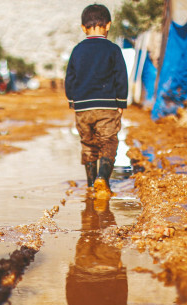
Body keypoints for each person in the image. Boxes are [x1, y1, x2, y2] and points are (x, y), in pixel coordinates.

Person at [65, 4, 128, 200]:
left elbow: (70, 78)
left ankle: (92, 185)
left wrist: (72, 100)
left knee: (88, 144)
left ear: (83, 28)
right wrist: (121, 101)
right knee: (108, 142)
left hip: (83, 107)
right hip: (107, 106)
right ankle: (103, 178)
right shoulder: (113, 49)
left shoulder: (77, 50)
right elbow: (121, 76)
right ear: (108, 25)